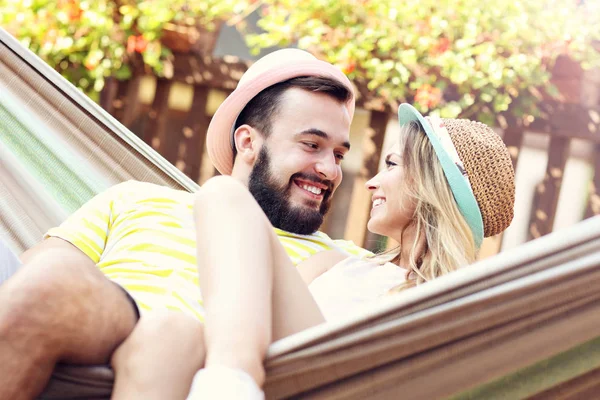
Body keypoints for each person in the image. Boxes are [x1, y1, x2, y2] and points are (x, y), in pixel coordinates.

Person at [0, 48, 370, 400]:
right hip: (94, 342)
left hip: (205, 366)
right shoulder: (135, 199)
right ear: (247, 143)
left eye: (338, 154)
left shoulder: (344, 263)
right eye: (311, 145)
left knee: (168, 334)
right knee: (51, 276)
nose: (331, 170)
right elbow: (31, 278)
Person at [110, 104, 516, 399]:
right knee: (221, 201)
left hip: (339, 385)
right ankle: (230, 381)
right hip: (278, 374)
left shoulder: (456, 304)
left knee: (224, 197)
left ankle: (232, 382)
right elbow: (240, 315)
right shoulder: (336, 261)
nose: (371, 182)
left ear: (431, 186)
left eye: (392, 165)